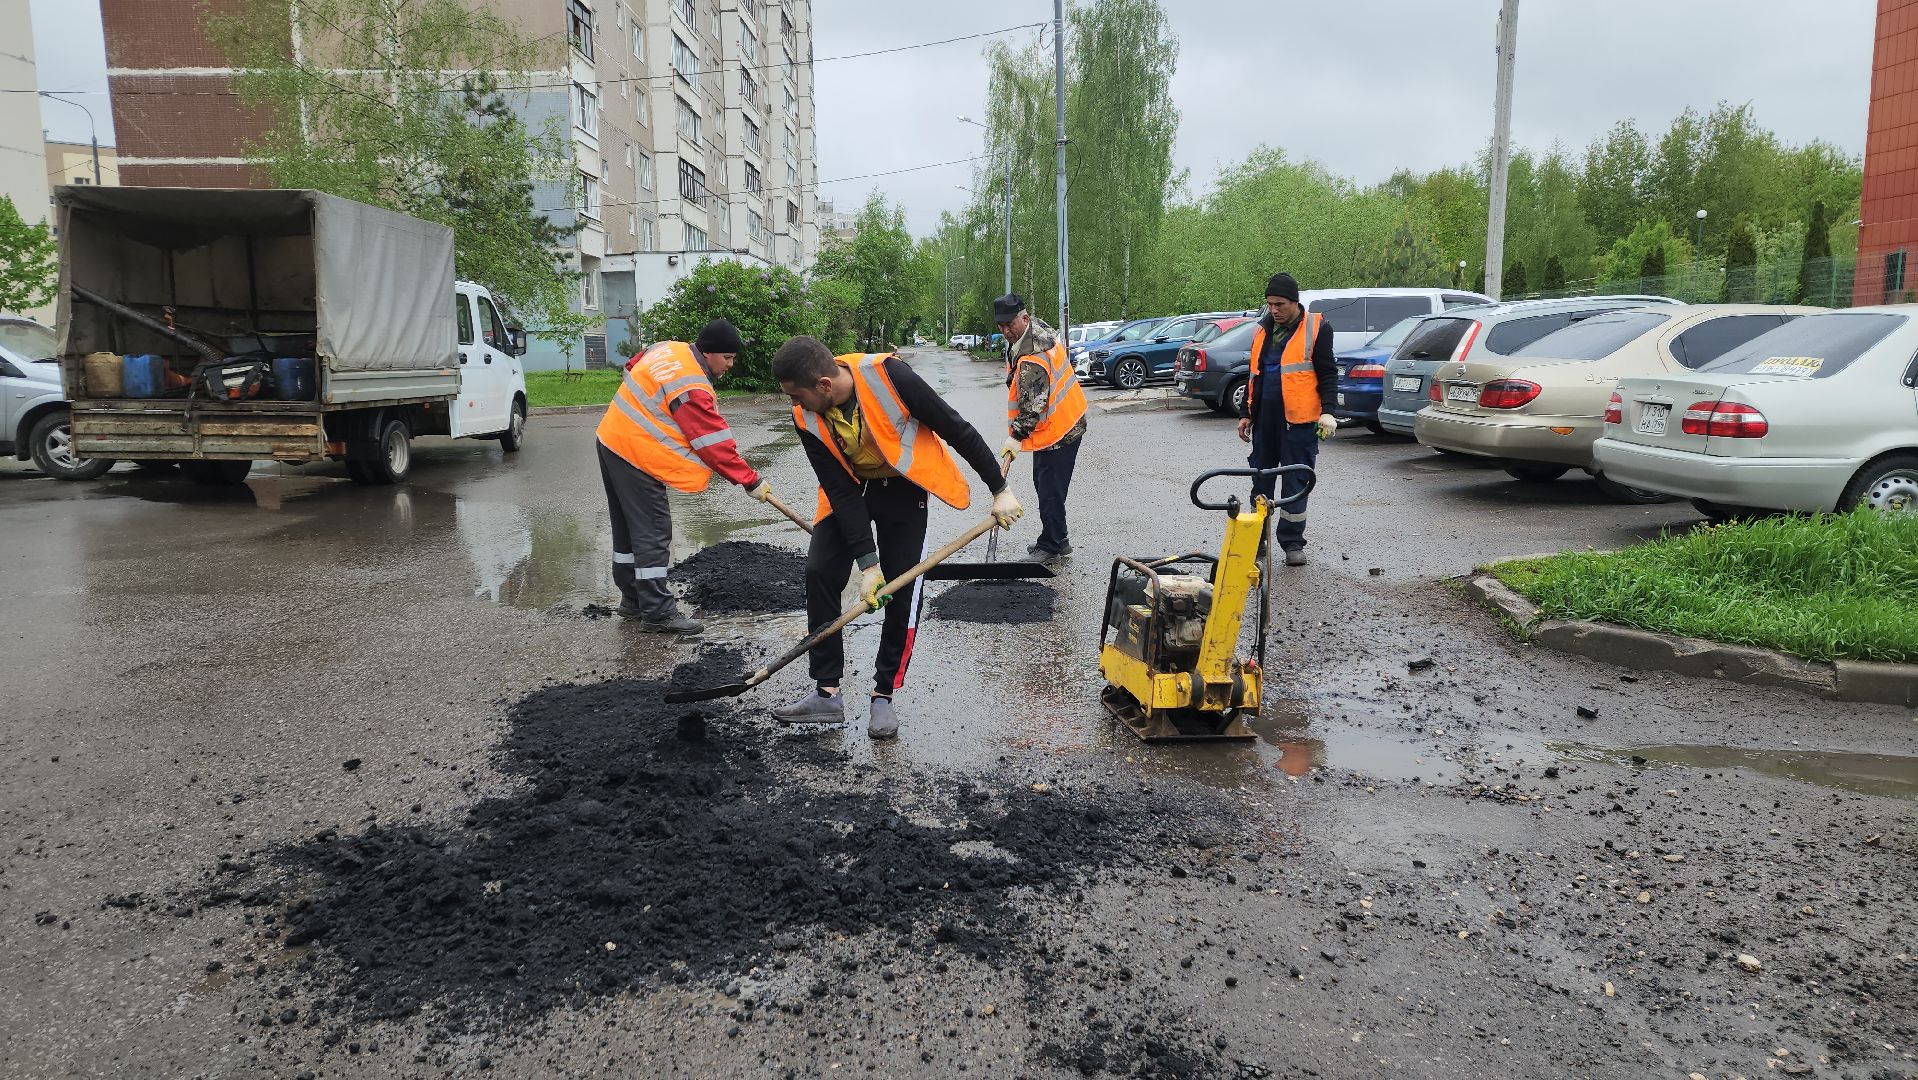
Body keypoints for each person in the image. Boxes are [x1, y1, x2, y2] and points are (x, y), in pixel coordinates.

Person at [768, 336, 1023, 740]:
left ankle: (883, 694)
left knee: (903, 589)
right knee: (819, 571)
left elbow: (955, 427)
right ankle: (827, 692)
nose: (794, 404)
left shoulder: (890, 377)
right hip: (850, 489)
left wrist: (999, 488)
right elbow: (839, 489)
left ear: (822, 385)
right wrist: (868, 566)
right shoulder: (805, 417)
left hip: (902, 490)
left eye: (797, 395)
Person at [595, 318, 774, 634]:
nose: (731, 365)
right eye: (728, 358)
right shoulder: (691, 386)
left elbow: (632, 366)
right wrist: (751, 481)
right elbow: (714, 445)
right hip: (636, 454)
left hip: (612, 439)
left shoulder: (669, 349)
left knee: (627, 530)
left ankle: (633, 600)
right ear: (709, 353)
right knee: (653, 531)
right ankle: (658, 612)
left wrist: (649, 414)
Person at [1237, 273, 1337, 566]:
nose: (1274, 310)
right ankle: (1257, 540)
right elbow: (1255, 375)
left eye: (1280, 304)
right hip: (1266, 422)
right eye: (1270, 304)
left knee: (1295, 483)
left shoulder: (1317, 329)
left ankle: (1292, 543)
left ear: (1295, 302)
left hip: (1300, 423)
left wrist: (1329, 410)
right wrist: (1245, 414)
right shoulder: (1262, 331)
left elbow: (1328, 372)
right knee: (1261, 480)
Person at [993, 293, 1088, 563]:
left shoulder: (1034, 359)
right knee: (1046, 485)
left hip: (1061, 430)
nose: (1005, 331)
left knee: (1049, 489)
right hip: (1063, 422)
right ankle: (1057, 537)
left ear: (1024, 318)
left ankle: (1054, 545)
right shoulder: (1035, 332)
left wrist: (1015, 438)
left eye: (1010, 324)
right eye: (1000, 326)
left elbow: (1031, 409)